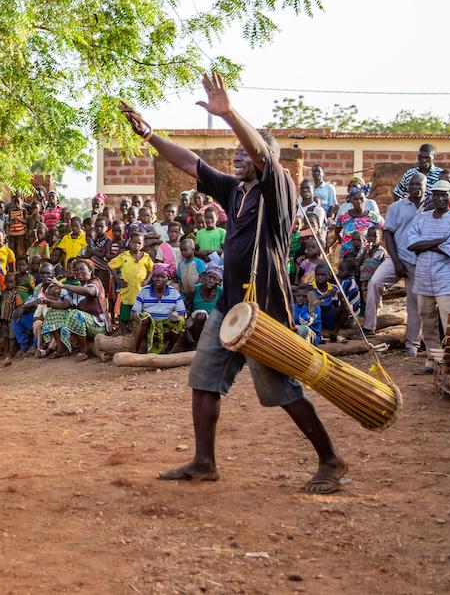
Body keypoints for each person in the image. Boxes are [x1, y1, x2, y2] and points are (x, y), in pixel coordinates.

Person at [121, 71, 347, 494]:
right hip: (230, 305)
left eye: (247, 151)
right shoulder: (235, 190)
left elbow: (261, 150)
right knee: (204, 378)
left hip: (266, 311)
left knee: (281, 389)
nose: (239, 156)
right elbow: (190, 163)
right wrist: (151, 135)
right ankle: (204, 462)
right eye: (237, 153)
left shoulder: (277, 187)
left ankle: (330, 459)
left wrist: (228, 114)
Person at [408, 179, 450, 371]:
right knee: (427, 319)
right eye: (436, 194)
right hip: (424, 276)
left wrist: (424, 244)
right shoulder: (420, 218)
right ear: (431, 197)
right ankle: (433, 360)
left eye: (444, 194)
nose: (440, 198)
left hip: (448, 277)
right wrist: (438, 240)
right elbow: (411, 244)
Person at [362, 173, 426, 352]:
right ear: (407, 186)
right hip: (397, 257)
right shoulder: (397, 207)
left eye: (419, 184)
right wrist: (396, 261)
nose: (415, 187)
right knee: (374, 283)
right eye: (412, 184)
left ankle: (412, 345)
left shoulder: (429, 207)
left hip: (418, 262)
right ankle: (369, 326)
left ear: (425, 186)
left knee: (414, 303)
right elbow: (388, 233)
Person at [40, 259, 109, 361]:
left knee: (75, 314)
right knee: (53, 312)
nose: (78, 272)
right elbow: (64, 305)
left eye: (82, 269)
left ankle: (83, 350)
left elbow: (90, 292)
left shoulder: (95, 282)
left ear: (90, 270)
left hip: (98, 325)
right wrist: (46, 301)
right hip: (84, 326)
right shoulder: (75, 289)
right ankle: (61, 348)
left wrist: (63, 286)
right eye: (76, 270)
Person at [130, 268, 186, 354]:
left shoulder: (174, 292)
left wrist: (176, 313)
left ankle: (169, 348)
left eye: (163, 276)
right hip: (147, 326)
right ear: (152, 278)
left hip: (166, 326)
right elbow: (135, 310)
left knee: (180, 320)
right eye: (156, 276)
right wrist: (136, 314)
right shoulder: (144, 291)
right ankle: (135, 351)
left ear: (168, 278)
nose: (159, 279)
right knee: (144, 317)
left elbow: (181, 311)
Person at [108, 231, 153, 335]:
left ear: (143, 244)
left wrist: (147, 280)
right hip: (127, 293)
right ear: (129, 243)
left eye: (139, 243)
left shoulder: (146, 257)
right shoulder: (124, 256)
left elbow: (151, 269)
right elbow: (110, 265)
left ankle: (137, 337)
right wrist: (118, 280)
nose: (136, 245)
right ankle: (123, 337)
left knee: (140, 319)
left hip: (140, 293)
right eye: (134, 242)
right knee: (124, 319)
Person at [333, 186, 383, 259]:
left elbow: (383, 228)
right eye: (355, 199)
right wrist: (343, 243)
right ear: (351, 201)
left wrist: (375, 245)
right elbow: (337, 232)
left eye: (361, 199)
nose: (359, 201)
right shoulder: (343, 217)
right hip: (346, 255)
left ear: (365, 200)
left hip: (366, 255)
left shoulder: (373, 216)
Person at [177, 238, 206, 306]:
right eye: (181, 250)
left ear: (193, 249)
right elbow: (179, 278)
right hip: (185, 292)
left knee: (196, 305)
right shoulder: (181, 264)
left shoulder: (198, 262)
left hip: (197, 291)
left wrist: (195, 287)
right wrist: (181, 289)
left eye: (186, 250)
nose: (183, 252)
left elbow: (202, 276)